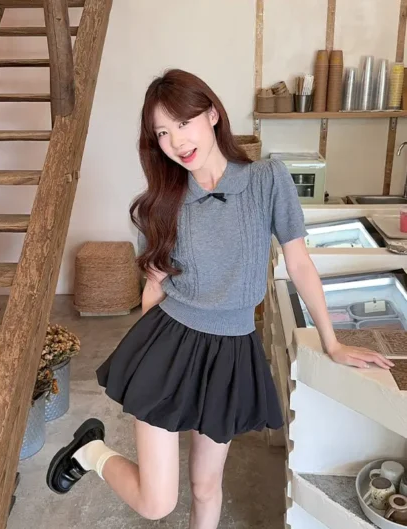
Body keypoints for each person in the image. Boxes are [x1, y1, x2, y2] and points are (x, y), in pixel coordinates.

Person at [46, 69, 393, 528]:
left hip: (231, 351)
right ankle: (91, 451)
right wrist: (149, 361)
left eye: (183, 123)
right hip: (170, 342)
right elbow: (155, 287)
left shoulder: (267, 179)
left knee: (207, 487)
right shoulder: (161, 203)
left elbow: (299, 263)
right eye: (162, 133)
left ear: (211, 114)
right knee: (157, 503)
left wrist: (332, 342)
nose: (176, 141)